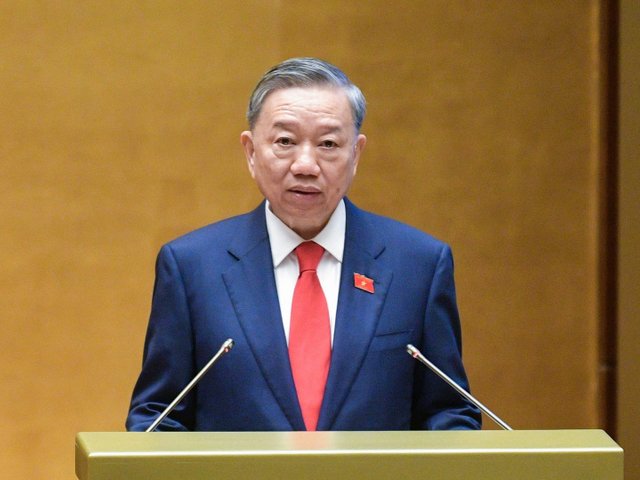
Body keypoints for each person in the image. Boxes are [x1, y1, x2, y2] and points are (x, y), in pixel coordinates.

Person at [126, 57, 481, 431]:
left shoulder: (419, 265)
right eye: (285, 141)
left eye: (328, 143)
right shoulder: (191, 267)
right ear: (251, 151)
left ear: (355, 154)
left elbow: (449, 414)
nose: (306, 165)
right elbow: (158, 418)